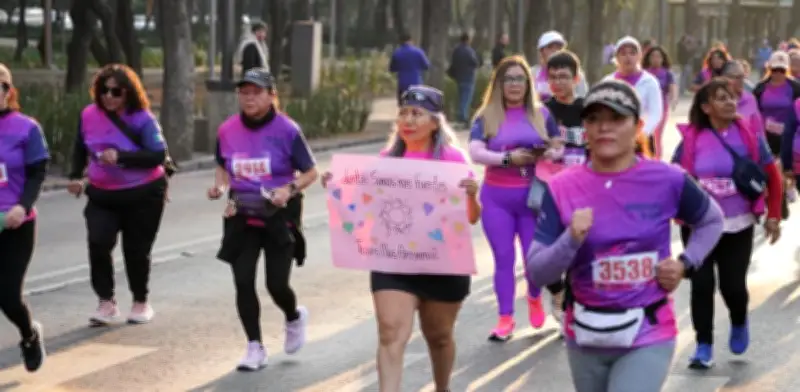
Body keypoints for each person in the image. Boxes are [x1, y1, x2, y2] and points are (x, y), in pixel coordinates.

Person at [526, 80, 725, 392]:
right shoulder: (562, 187)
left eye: (617, 119)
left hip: (649, 329)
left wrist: (686, 264)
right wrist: (570, 239)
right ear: (585, 128)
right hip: (585, 331)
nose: (604, 128)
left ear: (638, 126)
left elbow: (712, 220)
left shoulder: (667, 179)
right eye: (594, 119)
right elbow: (537, 272)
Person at [322, 85, 480, 392]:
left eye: (417, 114)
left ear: (435, 122)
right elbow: (362, 211)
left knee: (439, 336)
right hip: (393, 262)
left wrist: (473, 197)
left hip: (442, 263)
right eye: (403, 113)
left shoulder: (453, 161)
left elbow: (472, 218)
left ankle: (443, 388)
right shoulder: (384, 161)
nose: (408, 120)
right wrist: (339, 188)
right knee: (390, 332)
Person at [207, 68, 315, 371]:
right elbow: (222, 166)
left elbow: (310, 172)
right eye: (244, 92)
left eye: (257, 92)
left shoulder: (288, 130)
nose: (249, 97)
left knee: (276, 284)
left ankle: (293, 316)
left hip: (279, 215)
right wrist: (220, 186)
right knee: (243, 281)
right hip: (241, 214)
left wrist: (288, 189)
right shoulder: (227, 130)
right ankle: (255, 346)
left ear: (271, 95)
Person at [673, 78, 783, 369]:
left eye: (732, 97)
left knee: (732, 287)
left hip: (738, 223)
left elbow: (773, 176)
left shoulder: (749, 135)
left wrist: (773, 215)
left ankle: (738, 320)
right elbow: (673, 179)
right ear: (706, 107)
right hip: (699, 226)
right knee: (701, 284)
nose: (730, 102)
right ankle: (703, 345)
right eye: (721, 98)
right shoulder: (692, 138)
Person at [67, 64, 169, 326]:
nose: (109, 97)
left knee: (135, 250)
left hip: (143, 194)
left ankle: (140, 301)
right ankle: (106, 302)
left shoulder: (142, 118)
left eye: (116, 92)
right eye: (104, 91)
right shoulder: (89, 115)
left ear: (129, 93)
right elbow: (80, 146)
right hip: (102, 195)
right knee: (98, 243)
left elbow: (158, 155)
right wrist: (75, 176)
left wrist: (121, 156)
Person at [469, 55, 561, 341]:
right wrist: (507, 158)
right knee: (503, 259)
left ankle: (534, 297)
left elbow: (558, 147)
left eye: (519, 78)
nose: (514, 84)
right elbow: (475, 151)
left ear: (528, 83)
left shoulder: (541, 113)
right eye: (508, 79)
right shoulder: (485, 115)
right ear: (498, 83)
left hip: (532, 198)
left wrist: (548, 152)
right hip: (497, 198)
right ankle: (505, 318)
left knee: (533, 261)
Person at [0, 64, 48, 372]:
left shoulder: (26, 128)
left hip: (16, 224)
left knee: (6, 295)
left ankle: (29, 335)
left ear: (9, 92)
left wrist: (23, 205)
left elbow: (37, 173)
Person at [541, 49, 585, 326]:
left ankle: (572, 310)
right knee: (545, 253)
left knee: (577, 250)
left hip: (582, 186)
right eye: (553, 77)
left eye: (564, 77)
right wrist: (544, 146)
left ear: (576, 78)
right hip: (549, 188)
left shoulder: (588, 109)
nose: (558, 82)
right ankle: (558, 292)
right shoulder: (541, 112)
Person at [753, 51, 800, 217]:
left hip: (789, 135)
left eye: (781, 70)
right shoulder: (760, 88)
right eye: (775, 70)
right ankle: (779, 200)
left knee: (784, 168)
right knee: (772, 170)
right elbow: (753, 111)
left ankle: (783, 194)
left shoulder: (795, 88)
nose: (778, 73)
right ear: (769, 68)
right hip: (766, 135)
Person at [604, 36, 663, 156]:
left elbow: (655, 113)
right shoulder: (608, 81)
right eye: (623, 53)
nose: (628, 57)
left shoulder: (650, 82)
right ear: (616, 57)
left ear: (639, 56)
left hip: (642, 139)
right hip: (614, 138)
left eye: (632, 53)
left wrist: (641, 134)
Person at [642, 45, 678, 159]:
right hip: (644, 110)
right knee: (644, 134)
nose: (656, 59)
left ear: (663, 59)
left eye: (658, 56)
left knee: (657, 135)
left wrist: (674, 99)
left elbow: (673, 87)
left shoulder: (667, 74)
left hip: (661, 109)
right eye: (653, 56)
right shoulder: (644, 73)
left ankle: (657, 160)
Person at [531, 31, 588, 101]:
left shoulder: (576, 73)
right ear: (541, 51)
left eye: (559, 47)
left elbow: (583, 97)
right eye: (550, 47)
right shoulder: (532, 73)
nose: (555, 51)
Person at [447, 32, 481, 123]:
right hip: (468, 77)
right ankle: (462, 116)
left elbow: (453, 62)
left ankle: (461, 114)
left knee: (462, 96)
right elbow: (475, 63)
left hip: (459, 77)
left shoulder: (456, 50)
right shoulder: (469, 51)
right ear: (468, 40)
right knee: (466, 97)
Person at [721, 60, 762, 132]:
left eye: (742, 77)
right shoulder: (715, 101)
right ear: (724, 77)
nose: (741, 80)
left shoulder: (750, 99)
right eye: (737, 77)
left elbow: (759, 132)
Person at [389, 33, 430, 104]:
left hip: (402, 84)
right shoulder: (418, 52)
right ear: (411, 40)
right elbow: (426, 66)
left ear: (400, 42)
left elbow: (392, 68)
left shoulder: (397, 53)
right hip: (416, 83)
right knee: (416, 106)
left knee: (403, 106)